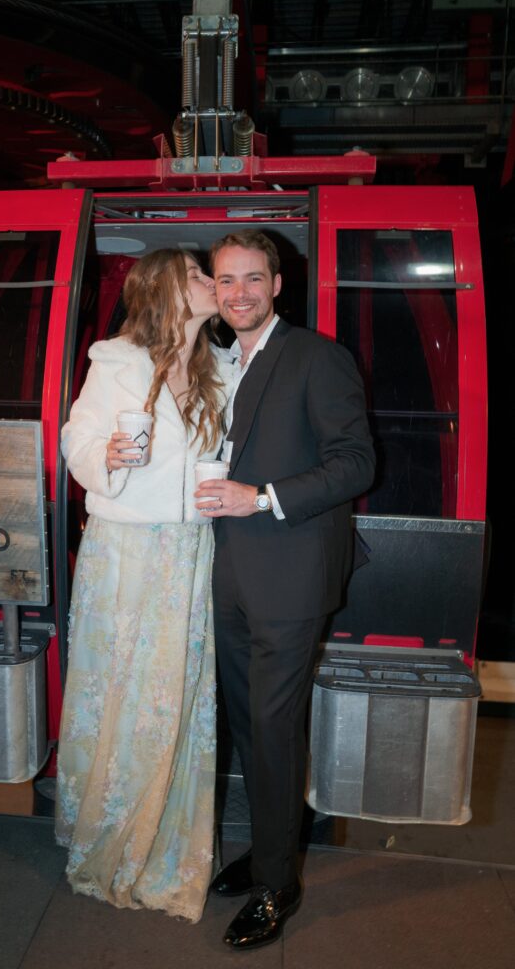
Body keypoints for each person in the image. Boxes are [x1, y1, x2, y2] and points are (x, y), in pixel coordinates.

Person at [196, 230, 375, 950]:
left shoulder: (316, 356)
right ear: (213, 289)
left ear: (276, 284)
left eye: (251, 279)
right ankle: (267, 851)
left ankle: (277, 885)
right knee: (247, 725)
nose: (237, 293)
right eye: (225, 280)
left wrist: (262, 497)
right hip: (230, 572)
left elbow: (356, 463)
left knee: (272, 730)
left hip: (290, 575)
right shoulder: (219, 361)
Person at [55, 248, 235, 923]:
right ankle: (111, 834)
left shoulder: (221, 366)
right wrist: (101, 455)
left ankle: (164, 842)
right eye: (198, 274)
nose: (212, 283)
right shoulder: (116, 360)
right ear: (164, 288)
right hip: (125, 551)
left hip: (189, 551)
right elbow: (76, 438)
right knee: (122, 691)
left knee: (174, 695)